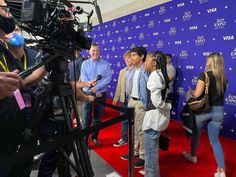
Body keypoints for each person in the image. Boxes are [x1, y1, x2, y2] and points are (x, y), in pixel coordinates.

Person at [182, 52, 227, 177]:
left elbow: (197, 94)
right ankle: (221, 170)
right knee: (215, 141)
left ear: (210, 62)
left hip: (204, 111)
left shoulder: (205, 75)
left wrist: (190, 93)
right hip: (218, 111)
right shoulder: (223, 77)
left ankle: (193, 156)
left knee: (196, 133)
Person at [142, 51, 171, 177]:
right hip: (156, 118)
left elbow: (158, 102)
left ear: (154, 63)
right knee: (151, 152)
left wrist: (168, 106)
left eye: (146, 60)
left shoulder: (154, 76)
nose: (144, 62)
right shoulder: (159, 74)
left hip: (154, 120)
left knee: (150, 153)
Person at [121, 46, 148, 169]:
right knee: (134, 129)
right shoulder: (133, 70)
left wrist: (145, 104)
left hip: (140, 103)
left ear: (141, 56)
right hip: (132, 101)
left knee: (141, 130)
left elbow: (149, 88)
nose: (131, 58)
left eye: (134, 55)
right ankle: (135, 152)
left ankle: (143, 156)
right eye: (131, 55)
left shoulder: (145, 70)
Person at [80, 42, 112, 146]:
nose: (95, 53)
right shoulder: (85, 64)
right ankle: (84, 142)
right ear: (89, 52)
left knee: (98, 119)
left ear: (100, 51)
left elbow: (107, 79)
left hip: (100, 95)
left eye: (97, 51)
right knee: (86, 119)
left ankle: (94, 137)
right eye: (93, 51)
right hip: (87, 94)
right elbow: (84, 79)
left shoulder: (106, 64)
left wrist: (97, 89)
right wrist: (94, 90)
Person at [113, 50, 135, 147]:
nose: (127, 60)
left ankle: (134, 140)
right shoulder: (122, 71)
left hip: (134, 101)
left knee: (135, 121)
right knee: (123, 120)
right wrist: (116, 97)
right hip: (123, 99)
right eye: (125, 58)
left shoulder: (138, 71)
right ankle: (124, 138)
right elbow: (119, 86)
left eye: (129, 57)